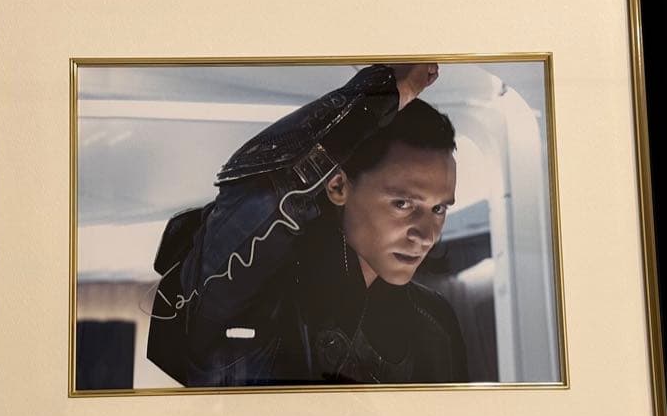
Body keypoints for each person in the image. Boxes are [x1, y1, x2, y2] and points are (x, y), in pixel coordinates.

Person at [146, 63, 467, 387]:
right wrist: (382, 93)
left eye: (438, 208)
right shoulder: (259, 294)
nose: (426, 235)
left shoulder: (435, 321)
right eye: (403, 204)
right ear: (337, 186)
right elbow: (263, 192)